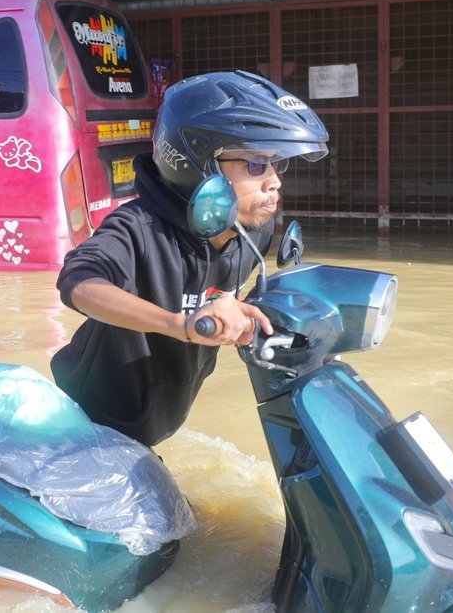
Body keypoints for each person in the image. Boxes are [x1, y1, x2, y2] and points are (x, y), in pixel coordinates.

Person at [50, 71, 331, 447]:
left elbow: (222, 298)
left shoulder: (252, 232)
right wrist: (181, 324)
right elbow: (79, 283)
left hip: (158, 423)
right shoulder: (139, 228)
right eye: (255, 165)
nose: (274, 181)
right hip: (88, 426)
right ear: (198, 164)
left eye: (276, 164)